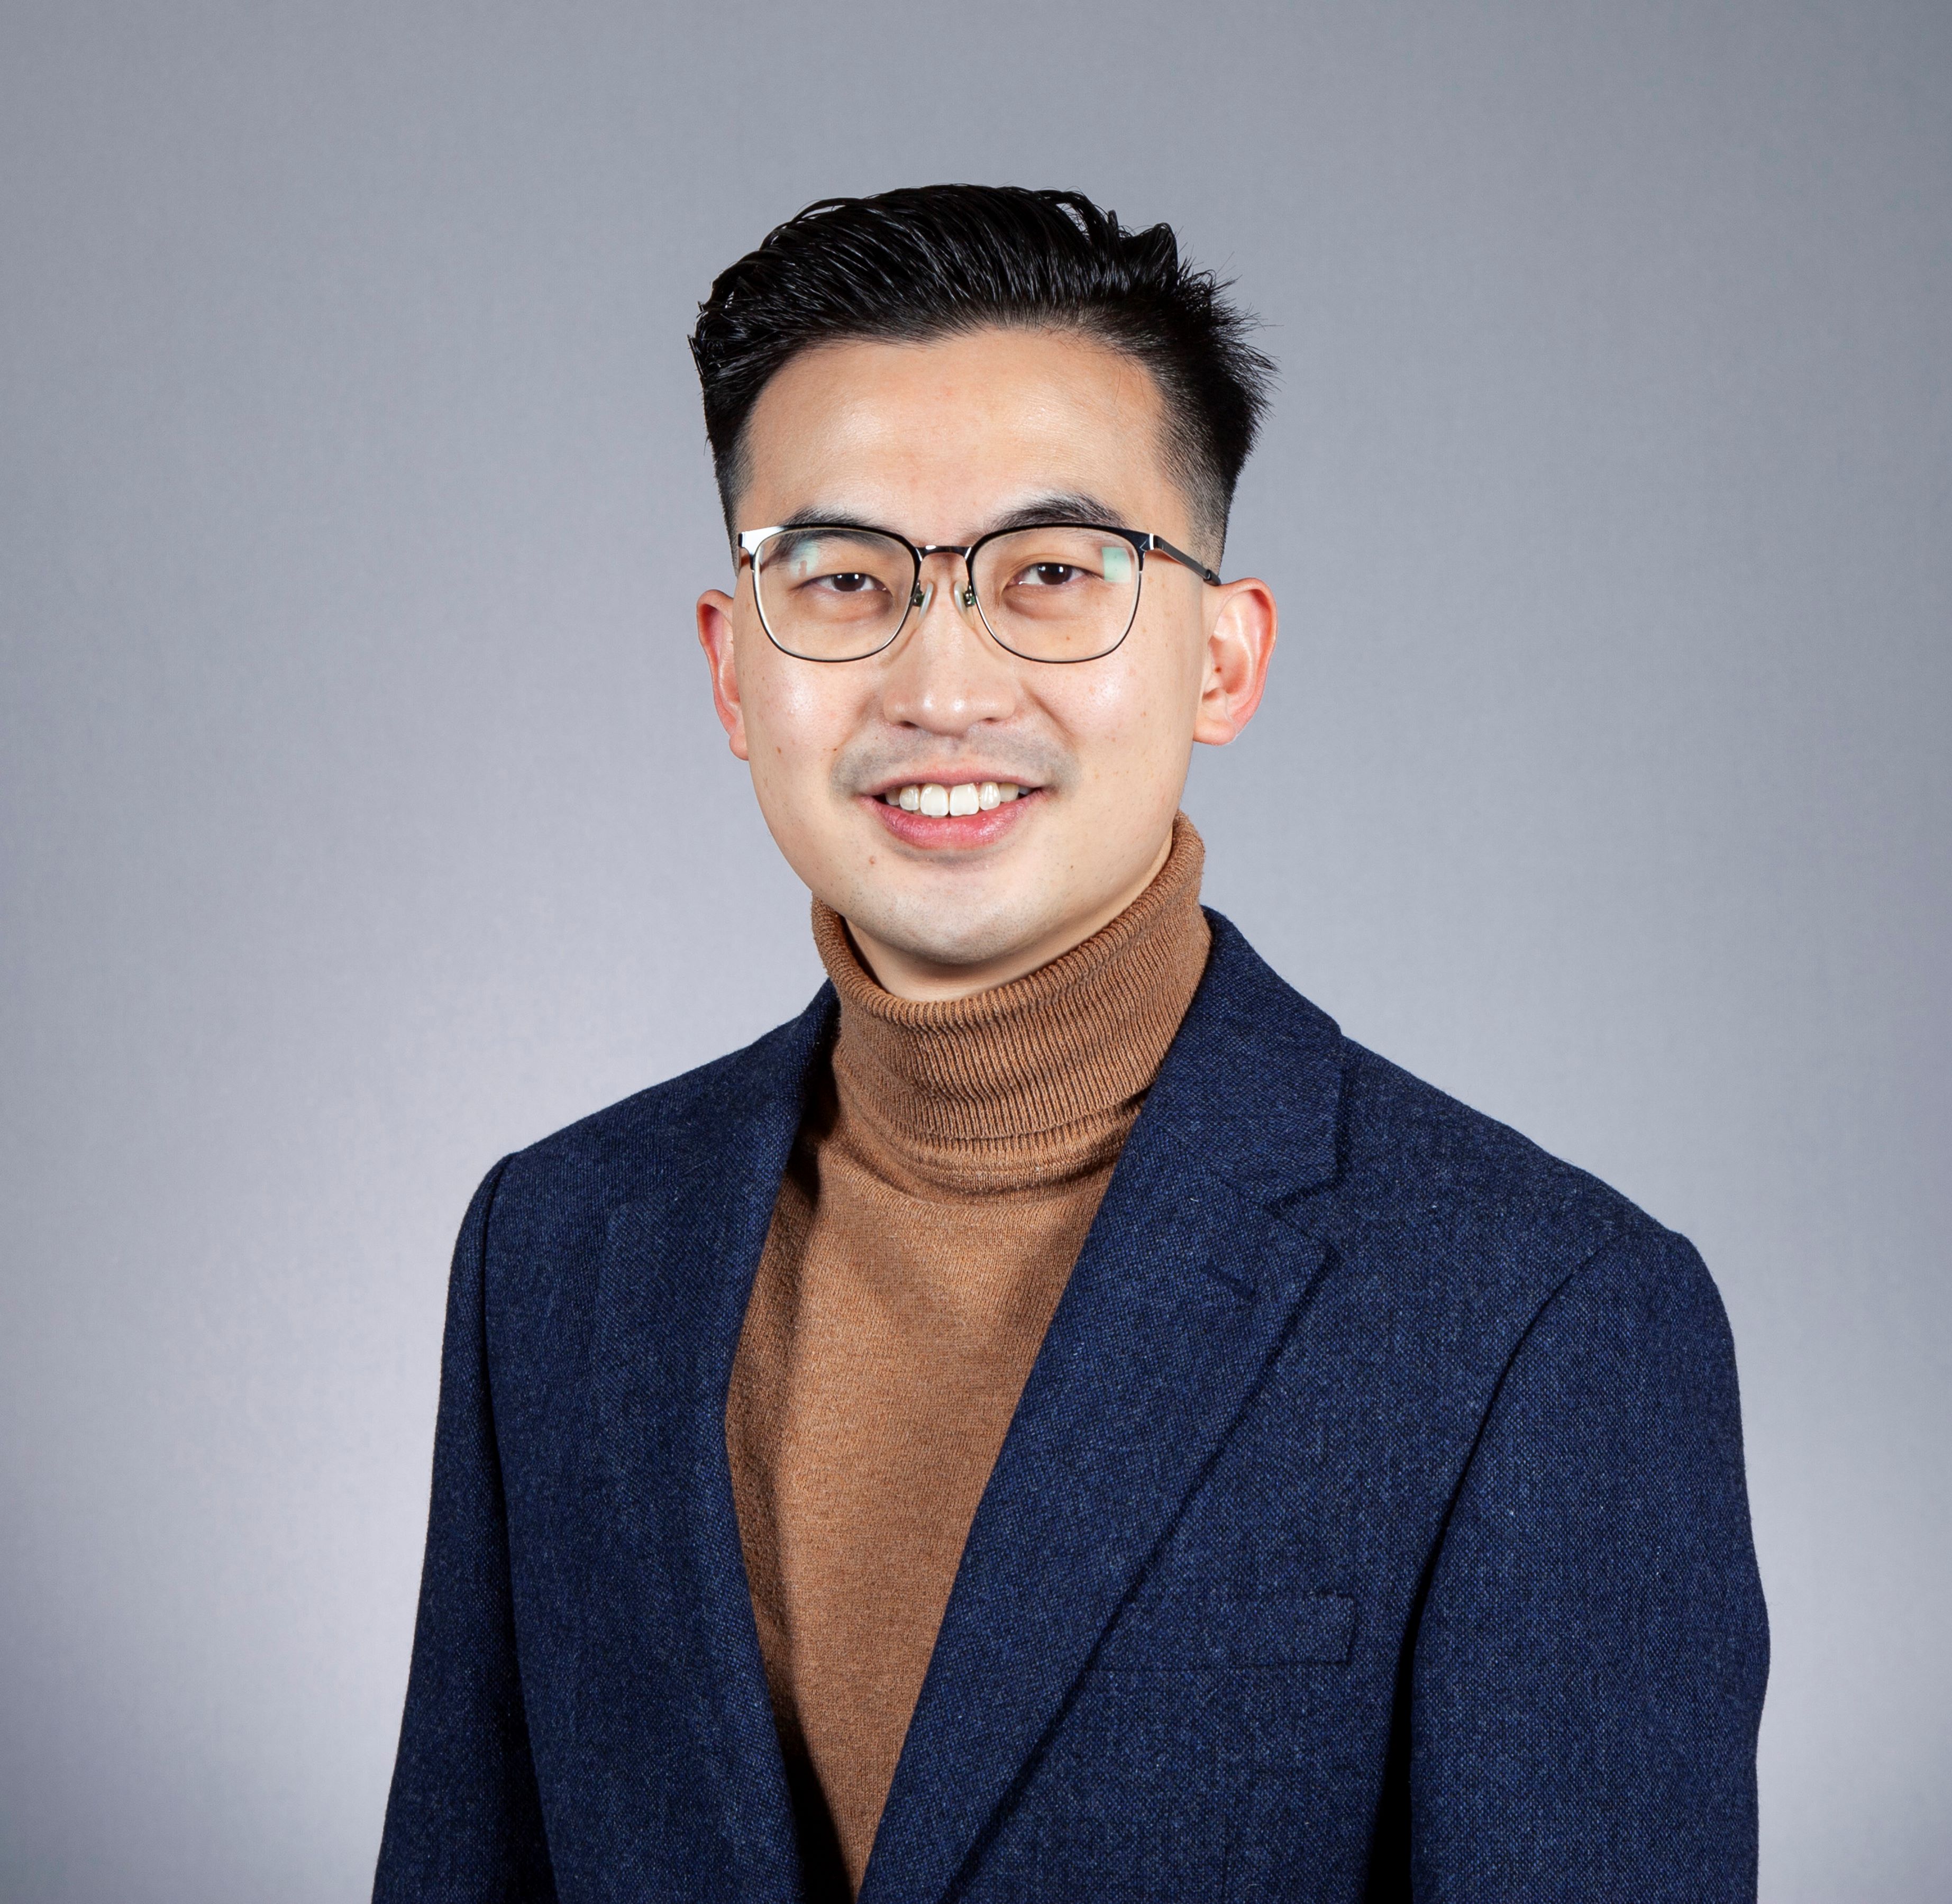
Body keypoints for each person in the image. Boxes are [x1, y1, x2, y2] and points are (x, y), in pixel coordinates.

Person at [373, 185, 1768, 1903]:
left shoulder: (1542, 1315)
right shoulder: (562, 1244)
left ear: (1223, 655)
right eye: (841, 576)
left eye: (1049, 574)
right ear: (735, 673)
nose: (939, 682)